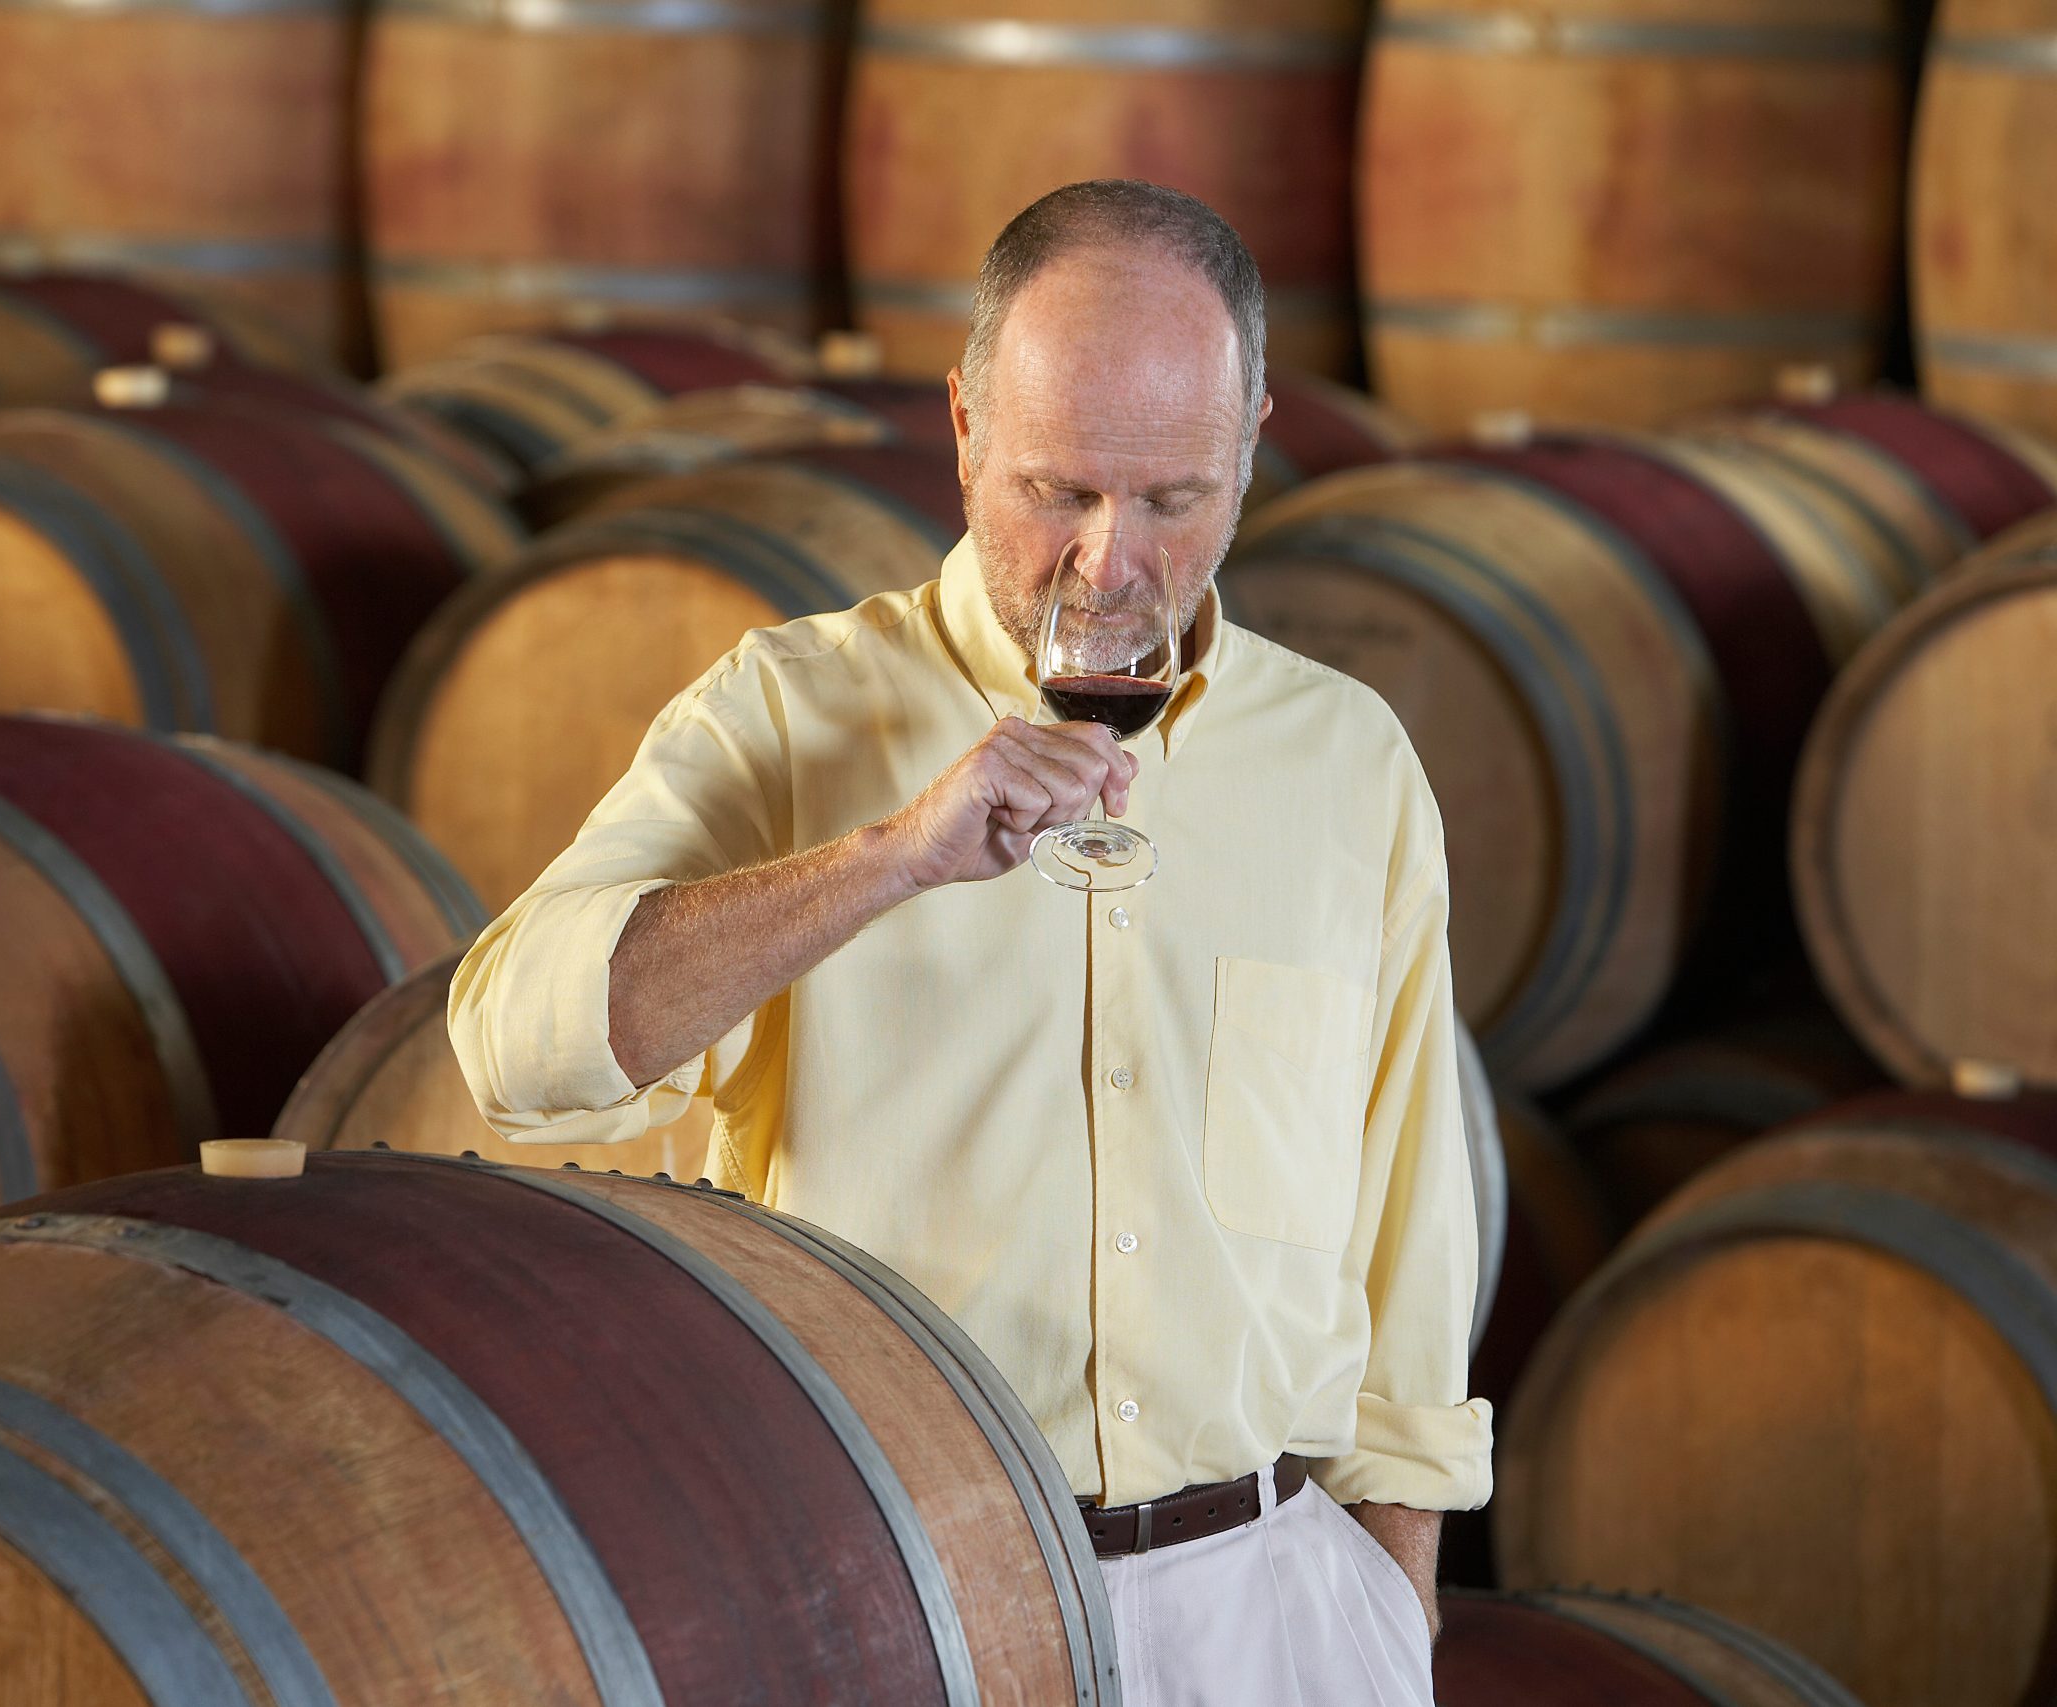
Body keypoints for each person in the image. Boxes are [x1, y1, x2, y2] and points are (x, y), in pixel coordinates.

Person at [449, 179, 1490, 1706]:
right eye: (1055, 492)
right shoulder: (788, 714)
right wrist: (887, 860)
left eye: (1172, 499)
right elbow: (513, 1052)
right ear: (960, 426)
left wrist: (1383, 1618)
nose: (1107, 563)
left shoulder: (1348, 762)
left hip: (1263, 1614)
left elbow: (1412, 1252)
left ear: (1252, 440)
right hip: (899, 1596)